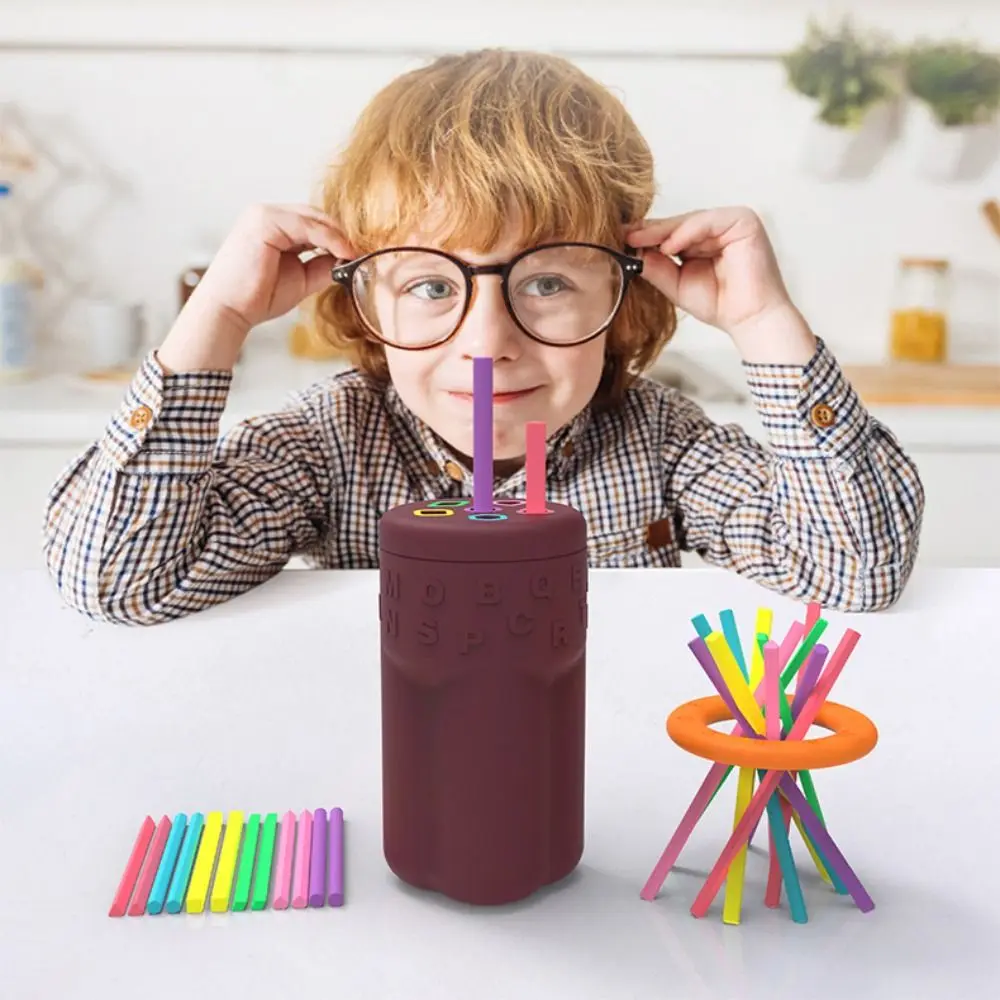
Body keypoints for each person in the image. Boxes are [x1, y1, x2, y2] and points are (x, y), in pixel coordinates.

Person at [42, 49, 924, 625]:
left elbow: (856, 572)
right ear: (365, 301)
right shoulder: (331, 445)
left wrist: (766, 325)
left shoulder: (661, 444)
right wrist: (215, 320)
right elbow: (118, 583)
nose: (488, 342)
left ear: (626, 288)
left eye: (547, 281)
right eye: (432, 285)